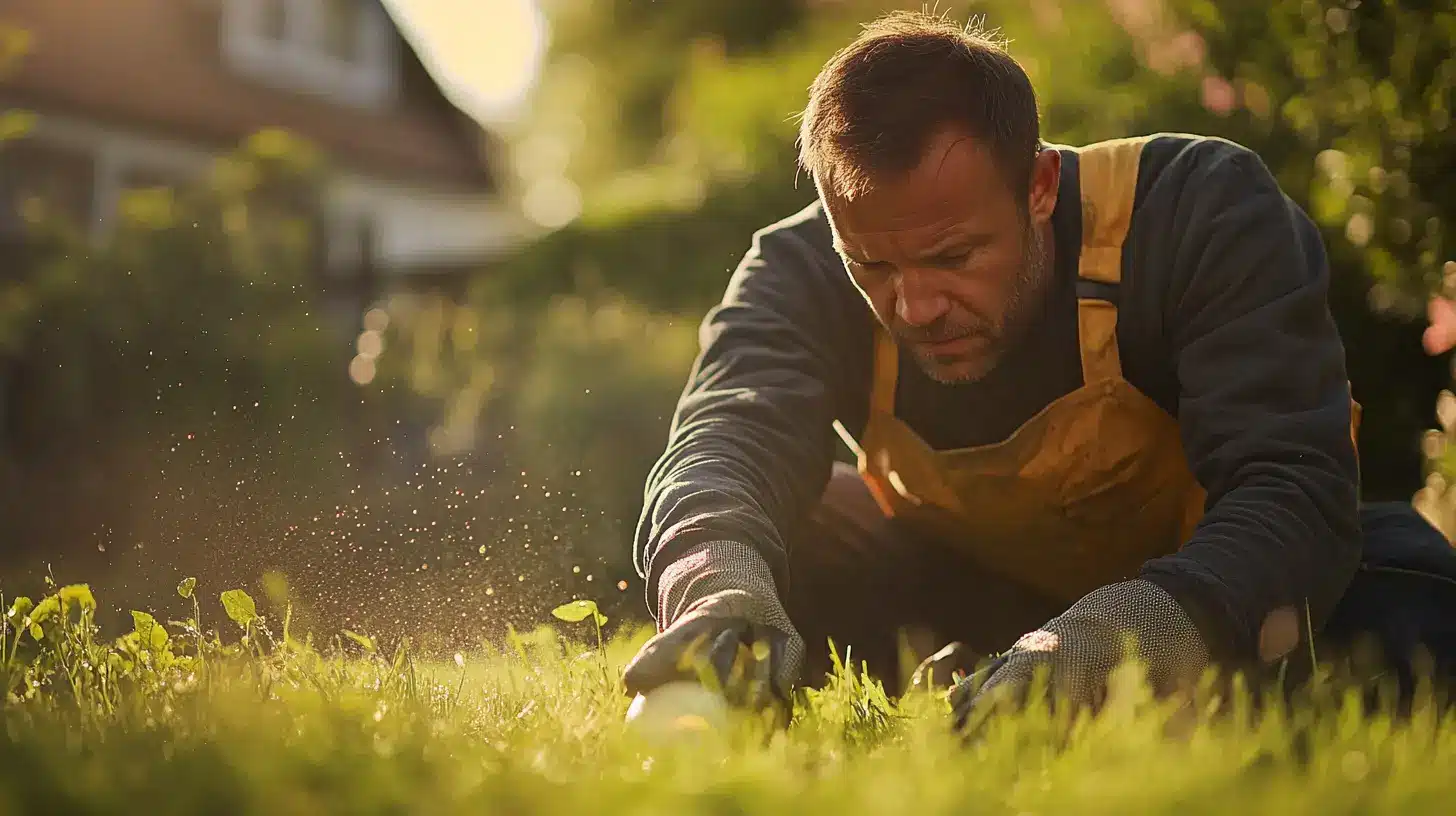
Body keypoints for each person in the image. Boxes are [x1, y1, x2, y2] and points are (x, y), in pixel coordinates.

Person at [619, 11, 1456, 731]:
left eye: (953, 256)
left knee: (1407, 622)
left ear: (1042, 185)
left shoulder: (1201, 211)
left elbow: (1291, 487)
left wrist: (1102, 645)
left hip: (1220, 592)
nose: (912, 307)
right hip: (982, 596)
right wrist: (713, 590)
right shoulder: (796, 270)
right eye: (870, 264)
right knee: (772, 530)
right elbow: (724, 437)